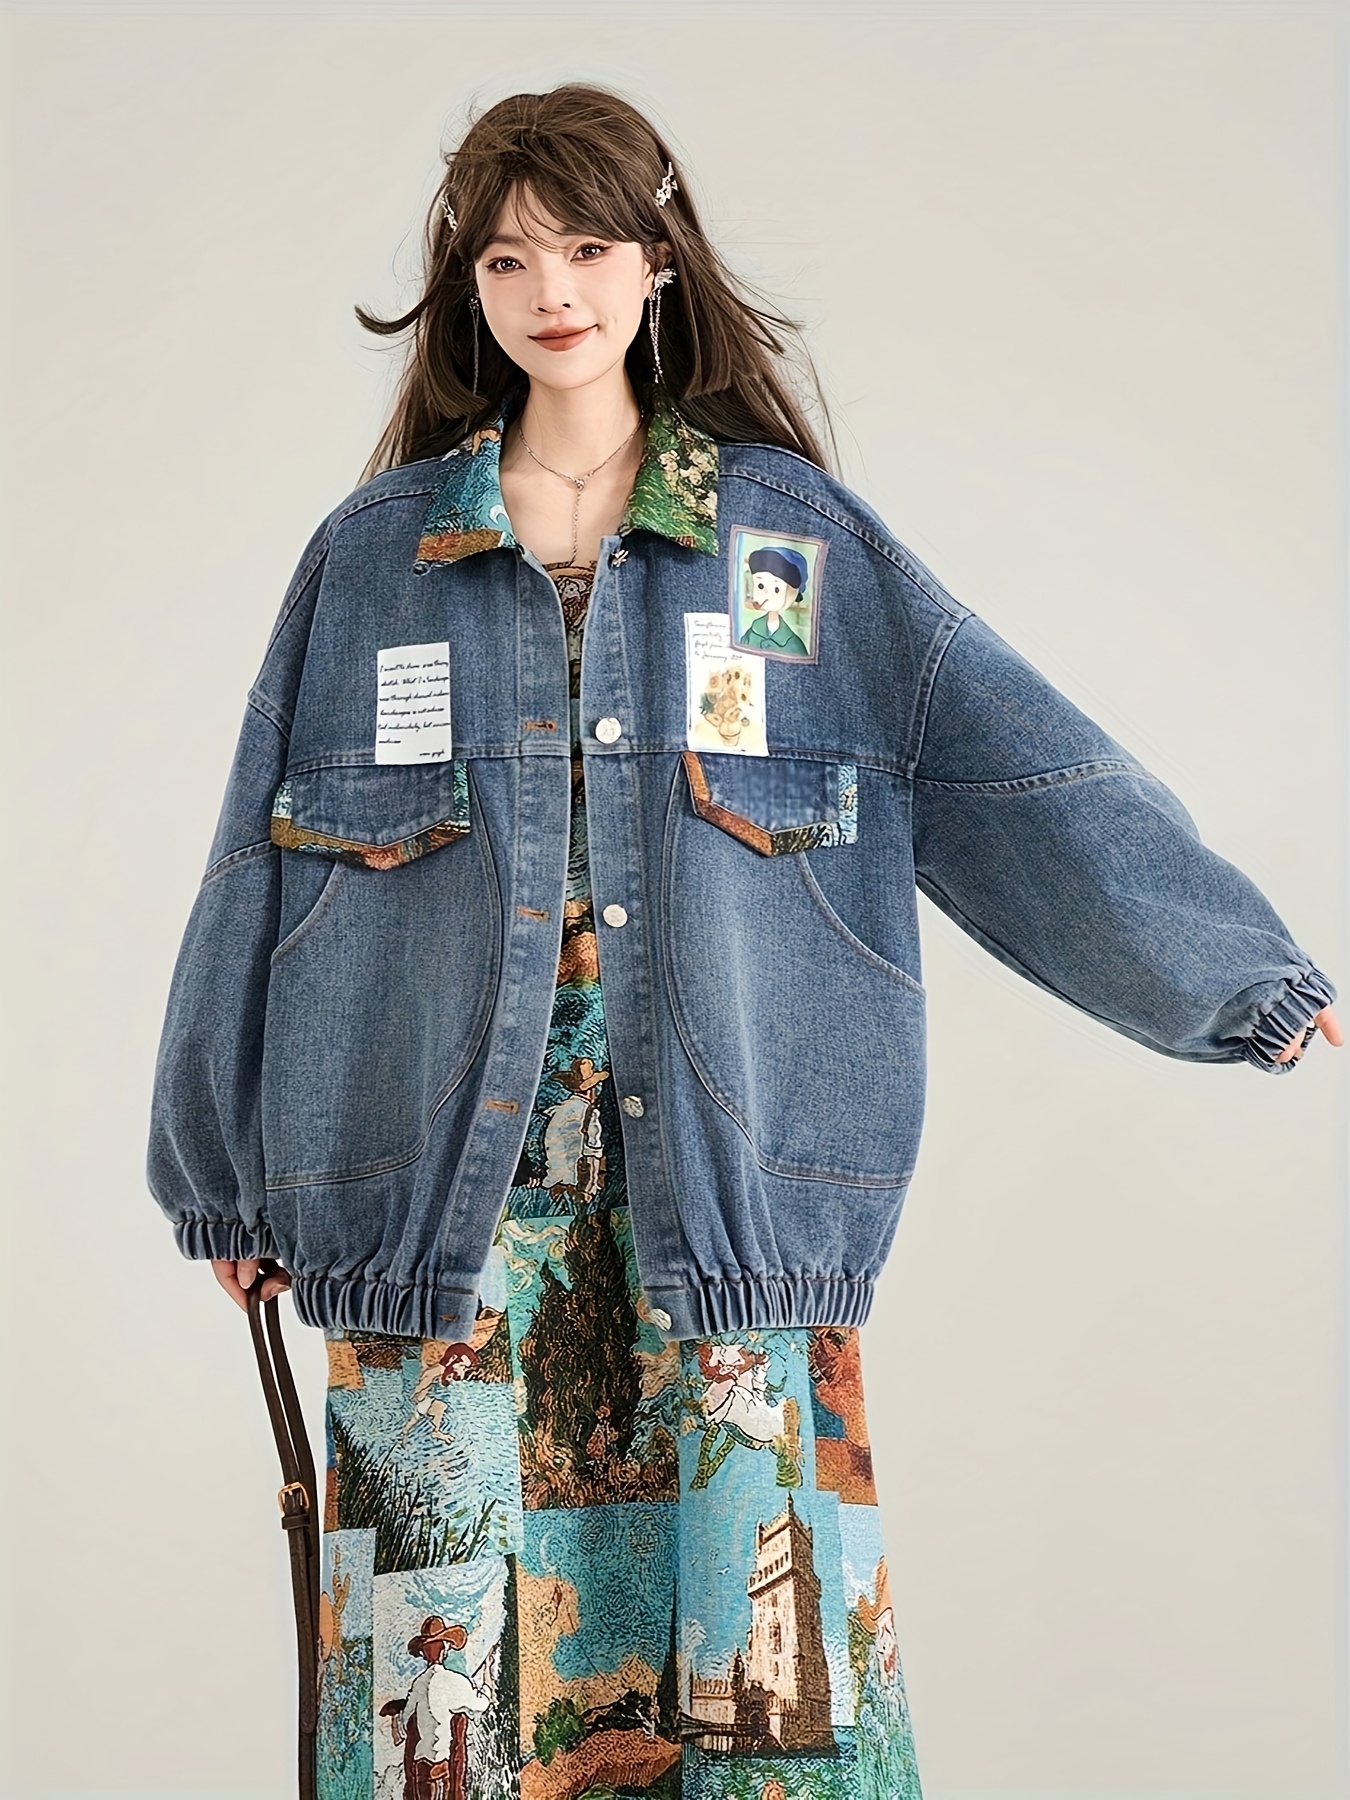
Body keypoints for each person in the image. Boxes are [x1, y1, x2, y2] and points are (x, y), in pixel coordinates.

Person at [144, 84, 1339, 1797]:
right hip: (433, 1224)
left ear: (655, 261)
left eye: (584, 246)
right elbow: (255, 862)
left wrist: (1239, 979)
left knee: (760, 1709)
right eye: (506, 258)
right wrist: (222, 1174)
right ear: (467, 289)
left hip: (727, 1214)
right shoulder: (374, 562)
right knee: (442, 1719)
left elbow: (1006, 774)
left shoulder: (791, 545)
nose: (550, 289)